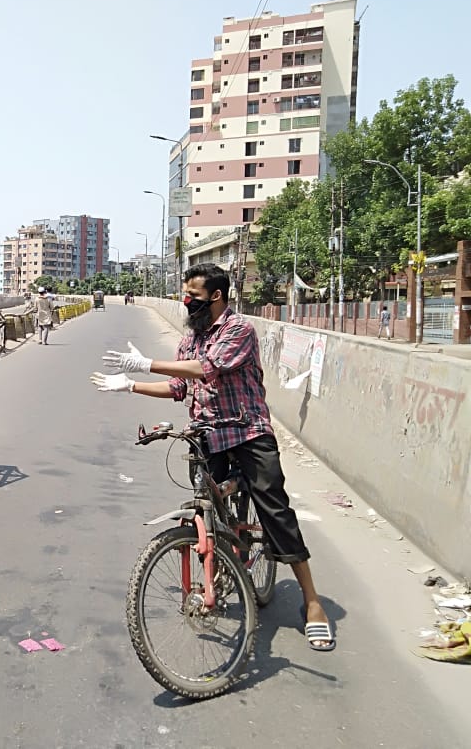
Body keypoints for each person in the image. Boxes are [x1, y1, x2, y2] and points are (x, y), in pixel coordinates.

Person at [90, 263, 335, 652]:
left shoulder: (239, 329)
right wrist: (131, 385)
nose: (187, 303)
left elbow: (206, 370)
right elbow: (177, 387)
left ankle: (312, 600)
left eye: (194, 297)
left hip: (247, 430)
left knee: (274, 509)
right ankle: (219, 563)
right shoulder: (190, 340)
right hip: (208, 433)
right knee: (208, 504)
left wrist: (145, 362)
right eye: (185, 296)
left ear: (216, 296)